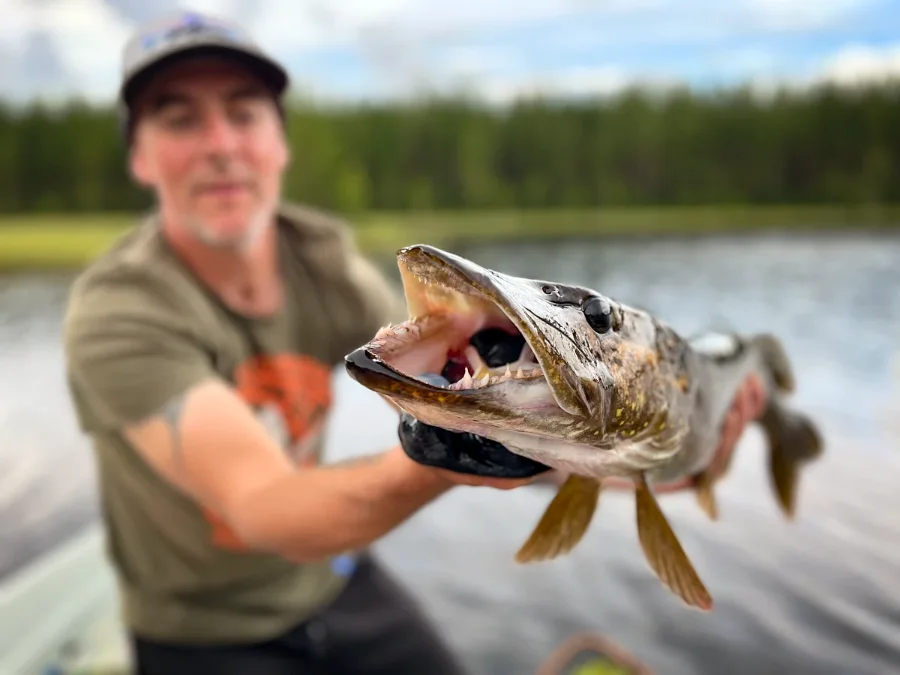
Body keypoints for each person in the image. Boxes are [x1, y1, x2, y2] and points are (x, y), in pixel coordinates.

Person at [61, 10, 767, 675]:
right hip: (201, 629)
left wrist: (610, 449)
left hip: (333, 578)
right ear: (141, 159)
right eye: (178, 119)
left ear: (278, 142)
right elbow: (262, 507)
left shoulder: (320, 260)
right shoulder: (120, 311)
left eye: (242, 112)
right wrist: (447, 457)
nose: (219, 144)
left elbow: (452, 360)